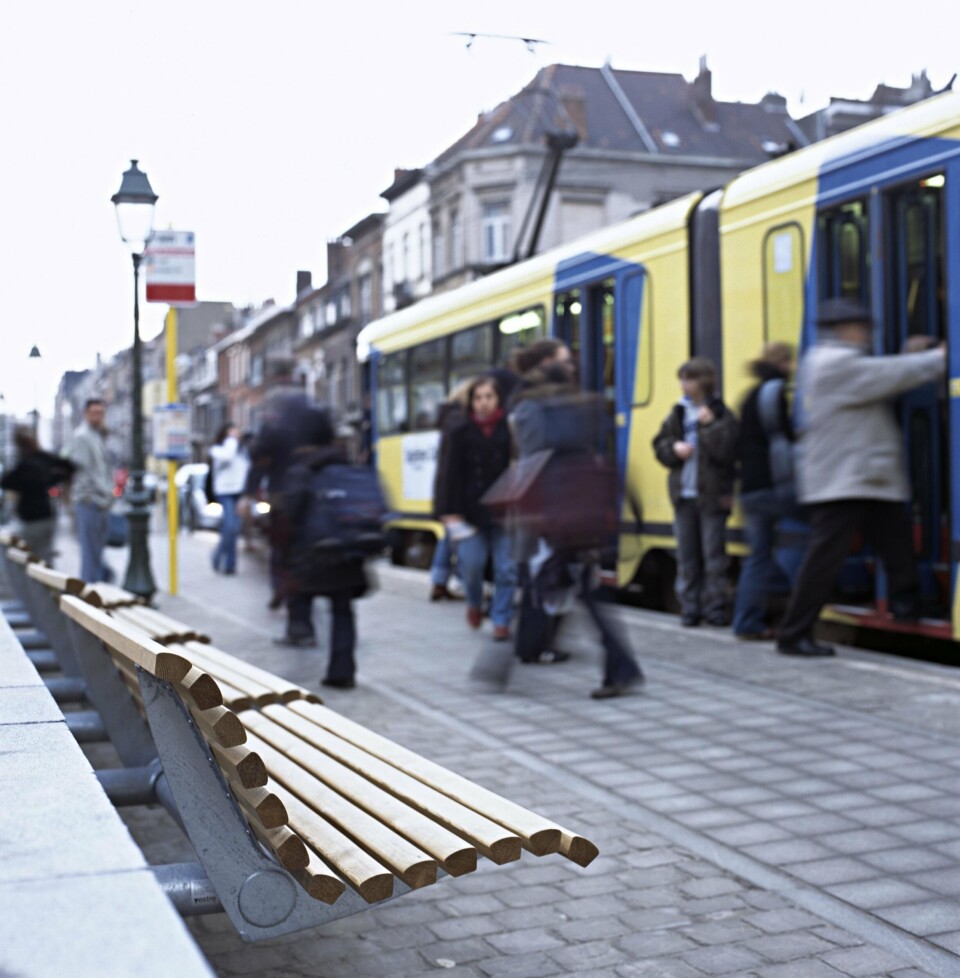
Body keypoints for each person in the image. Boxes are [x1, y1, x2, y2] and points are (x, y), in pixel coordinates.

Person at [775, 298, 946, 657]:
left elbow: (882, 372)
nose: (868, 332)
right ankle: (793, 633)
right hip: (844, 482)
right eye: (862, 326)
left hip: (863, 479)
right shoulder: (833, 364)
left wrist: (907, 353)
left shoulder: (833, 361)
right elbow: (888, 376)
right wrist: (943, 355)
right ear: (845, 329)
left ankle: (907, 605)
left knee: (896, 544)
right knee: (825, 560)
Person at [507, 339, 644, 698]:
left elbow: (534, 463)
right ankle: (615, 667)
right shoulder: (568, 405)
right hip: (572, 510)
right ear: (547, 364)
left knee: (569, 588)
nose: (572, 366)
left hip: (560, 514)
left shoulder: (534, 406)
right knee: (575, 589)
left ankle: (617, 668)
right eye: (566, 361)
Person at [278, 408, 369, 689]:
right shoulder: (345, 464)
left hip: (312, 556)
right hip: (345, 553)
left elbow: (289, 514)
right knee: (343, 611)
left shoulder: (300, 470)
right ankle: (342, 670)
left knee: (300, 598)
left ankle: (298, 651)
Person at [653, 357, 738, 627]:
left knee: (714, 557)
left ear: (703, 382)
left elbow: (727, 452)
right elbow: (660, 446)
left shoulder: (721, 413)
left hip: (711, 496)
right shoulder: (677, 413)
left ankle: (714, 609)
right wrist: (674, 449)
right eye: (682, 379)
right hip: (683, 495)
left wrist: (709, 427)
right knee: (686, 556)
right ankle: (689, 609)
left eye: (688, 379)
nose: (683, 385)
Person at [731, 343, 799, 640]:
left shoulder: (750, 395)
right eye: (790, 361)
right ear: (782, 362)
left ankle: (747, 622)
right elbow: (781, 438)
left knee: (757, 556)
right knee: (818, 534)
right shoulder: (774, 392)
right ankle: (794, 596)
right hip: (772, 485)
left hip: (750, 487)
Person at [442, 375, 517, 640]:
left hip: (504, 511)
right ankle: (474, 602)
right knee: (472, 567)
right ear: (471, 402)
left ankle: (501, 619)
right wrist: (449, 511)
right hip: (470, 511)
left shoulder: (509, 430)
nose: (483, 403)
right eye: (478, 398)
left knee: (506, 569)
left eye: (489, 397)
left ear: (498, 400)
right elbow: (449, 474)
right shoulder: (460, 431)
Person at [427, 378, 474, 602]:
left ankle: (439, 581)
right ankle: (465, 583)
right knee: (463, 537)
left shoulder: (448, 418)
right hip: (460, 489)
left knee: (449, 536)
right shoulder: (461, 420)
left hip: (448, 489)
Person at [0, 427, 75, 564]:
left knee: (17, 557)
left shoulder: (24, 464)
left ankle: (36, 584)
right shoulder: (43, 458)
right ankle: (48, 582)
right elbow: (69, 467)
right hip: (46, 515)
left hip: (32, 519)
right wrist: (52, 479)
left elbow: (6, 482)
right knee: (43, 558)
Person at [66, 398, 116, 583]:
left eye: (101, 413)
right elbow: (84, 471)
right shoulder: (82, 436)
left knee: (96, 554)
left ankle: (96, 589)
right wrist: (101, 494)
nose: (98, 417)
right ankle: (88, 599)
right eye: (94, 413)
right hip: (90, 502)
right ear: (86, 414)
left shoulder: (97, 435)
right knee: (90, 556)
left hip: (99, 502)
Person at [209, 422, 251, 575]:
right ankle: (218, 557)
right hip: (225, 491)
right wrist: (232, 441)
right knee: (230, 526)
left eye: (236, 431)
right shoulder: (218, 450)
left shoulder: (242, 451)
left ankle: (229, 565)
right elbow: (228, 456)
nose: (235, 434)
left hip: (239, 492)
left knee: (234, 529)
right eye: (232, 431)